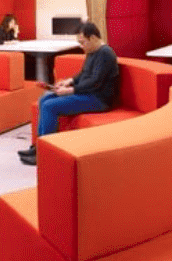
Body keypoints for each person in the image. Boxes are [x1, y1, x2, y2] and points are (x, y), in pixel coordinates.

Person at [18, 21, 119, 166]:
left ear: (93, 38)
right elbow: (83, 74)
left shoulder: (106, 54)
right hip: (87, 93)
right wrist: (69, 81)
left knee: (50, 106)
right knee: (44, 100)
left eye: (83, 42)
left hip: (99, 99)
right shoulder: (92, 51)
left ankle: (46, 153)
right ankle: (39, 146)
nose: (81, 46)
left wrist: (71, 90)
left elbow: (95, 82)